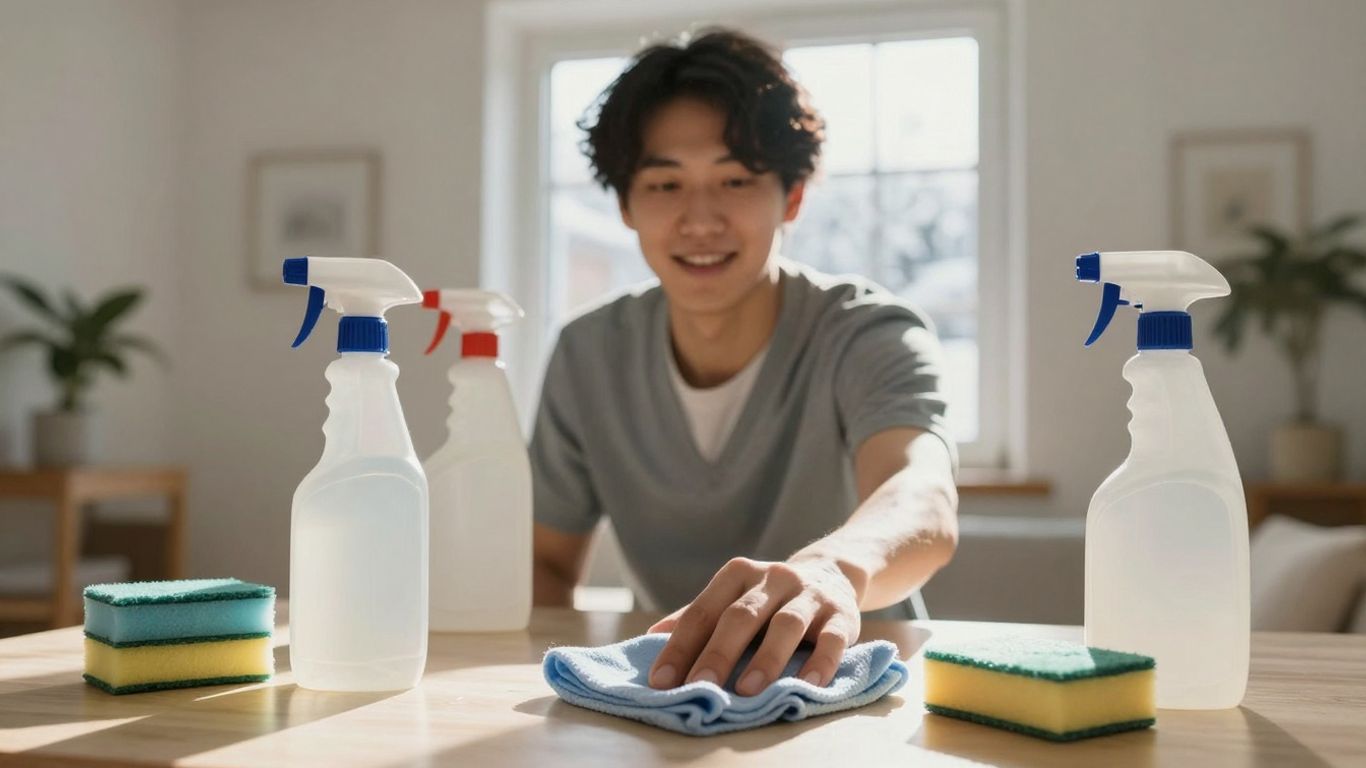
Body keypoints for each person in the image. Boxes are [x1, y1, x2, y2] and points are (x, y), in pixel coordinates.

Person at [529, 28, 959, 698]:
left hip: (850, 686)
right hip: (667, 692)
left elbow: (922, 499)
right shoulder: (587, 354)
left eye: (735, 179)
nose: (700, 219)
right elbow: (544, 561)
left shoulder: (869, 333)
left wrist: (831, 569)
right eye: (665, 183)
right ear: (625, 206)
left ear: (791, 198)